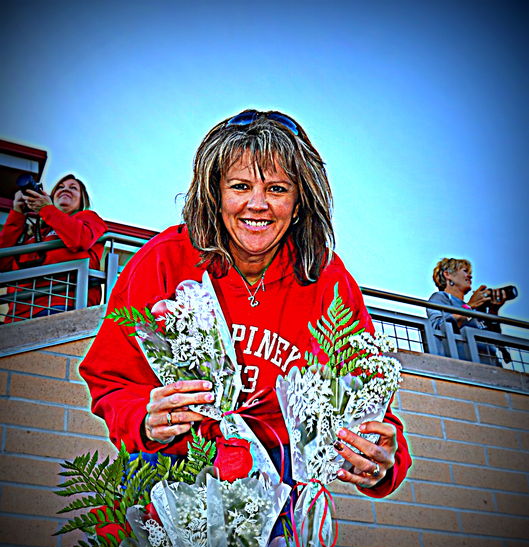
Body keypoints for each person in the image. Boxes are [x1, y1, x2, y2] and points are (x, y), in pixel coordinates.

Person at [80, 109, 411, 497]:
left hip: (277, 485)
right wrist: (143, 417)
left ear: (299, 202)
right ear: (215, 194)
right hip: (167, 474)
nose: (257, 204)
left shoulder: (327, 278)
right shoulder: (164, 259)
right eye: (240, 186)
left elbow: (368, 400)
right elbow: (110, 378)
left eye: (277, 189)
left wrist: (381, 460)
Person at [0, 174, 107, 321]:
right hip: (18, 315)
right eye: (60, 188)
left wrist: (47, 209)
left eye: (73, 188)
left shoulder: (88, 218)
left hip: (63, 305)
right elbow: (2, 263)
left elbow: (80, 240)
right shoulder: (34, 231)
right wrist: (17, 213)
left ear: (82, 199)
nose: (65, 190)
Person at [427, 257, 507, 366]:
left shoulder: (475, 306)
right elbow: (438, 325)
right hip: (463, 363)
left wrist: (493, 311)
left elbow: (494, 338)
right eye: (465, 271)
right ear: (447, 274)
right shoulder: (440, 297)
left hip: (490, 364)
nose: (470, 276)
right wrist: (470, 307)